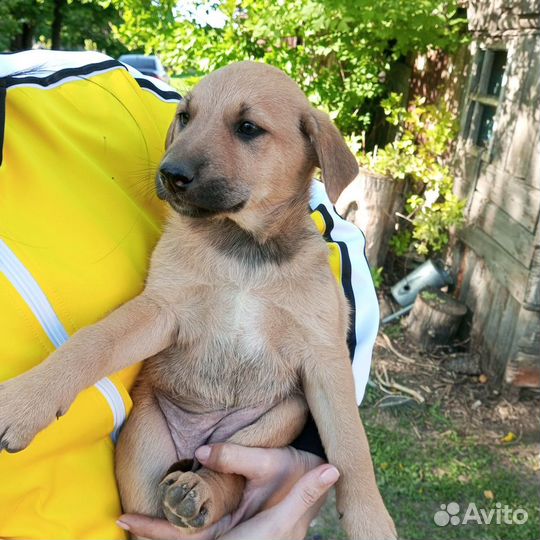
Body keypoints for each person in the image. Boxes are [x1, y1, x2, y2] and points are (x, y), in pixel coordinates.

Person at [0, 50, 379, 540]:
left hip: (257, 428)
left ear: (313, 151)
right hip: (164, 417)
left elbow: (329, 373)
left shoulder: (73, 90)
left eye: (247, 130)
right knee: (149, 472)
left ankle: (217, 491)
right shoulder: (185, 242)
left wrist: (344, 484)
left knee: (291, 410)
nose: (177, 160)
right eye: (186, 119)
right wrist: (48, 385)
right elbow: (150, 318)